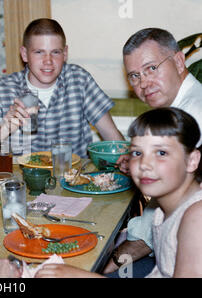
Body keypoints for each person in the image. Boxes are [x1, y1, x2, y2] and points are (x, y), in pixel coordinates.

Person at [36, 107, 202, 278]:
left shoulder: (196, 217)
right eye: (137, 153)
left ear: (192, 160)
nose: (144, 164)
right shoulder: (162, 209)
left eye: (161, 153)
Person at [105, 28, 202, 277]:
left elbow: (144, 239)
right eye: (135, 76)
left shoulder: (192, 117)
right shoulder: (180, 108)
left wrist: (105, 266)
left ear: (179, 61)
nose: (143, 83)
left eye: (151, 69)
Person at [0, 18, 124, 157]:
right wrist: (5, 127)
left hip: (73, 180)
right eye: (39, 52)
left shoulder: (80, 80)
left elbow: (111, 135)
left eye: (55, 52)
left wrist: (129, 165)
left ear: (65, 54)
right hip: (21, 182)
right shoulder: (2, 90)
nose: (48, 61)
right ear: (24, 54)